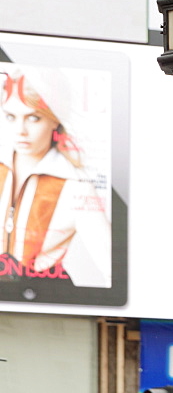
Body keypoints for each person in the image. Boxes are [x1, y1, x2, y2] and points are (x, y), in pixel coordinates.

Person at [0, 70, 111, 287]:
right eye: (11, 117)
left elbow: (114, 272)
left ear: (54, 119)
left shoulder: (76, 187)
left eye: (33, 117)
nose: (20, 131)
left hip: (42, 298)